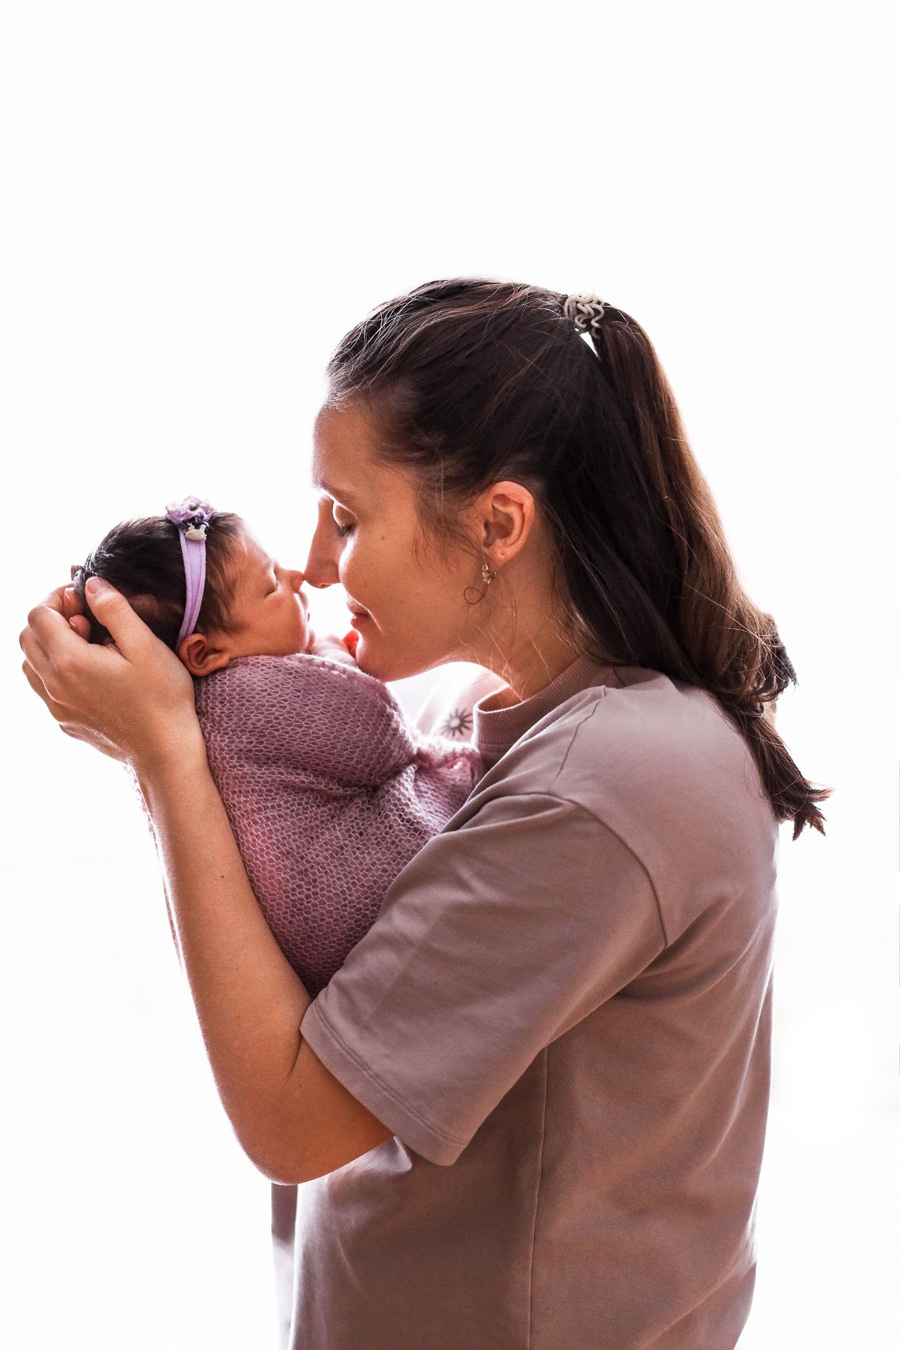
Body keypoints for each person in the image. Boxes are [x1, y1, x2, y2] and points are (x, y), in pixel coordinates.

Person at [21, 279, 828, 1350]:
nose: (314, 564)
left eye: (347, 518)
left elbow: (292, 1116)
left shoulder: (613, 784)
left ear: (498, 523)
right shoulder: (460, 717)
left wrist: (168, 755)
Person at [70, 498, 480, 995]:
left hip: (303, 946)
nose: (295, 576)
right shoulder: (248, 698)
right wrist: (330, 650)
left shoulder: (194, 707)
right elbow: (377, 734)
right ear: (204, 653)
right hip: (353, 906)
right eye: (269, 586)